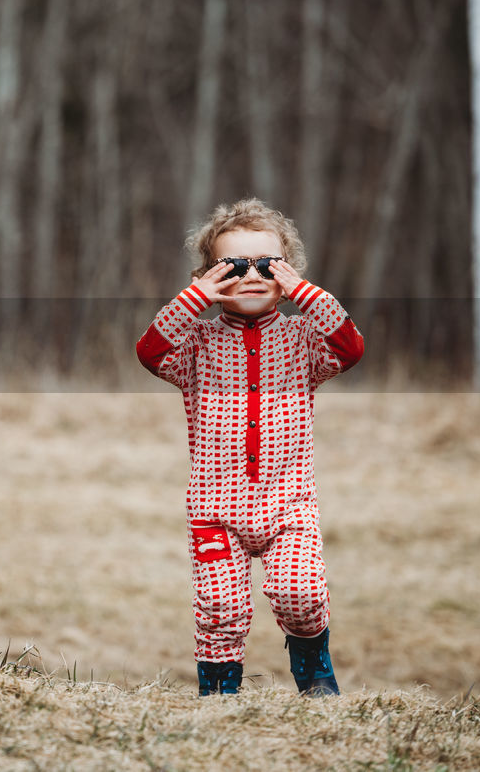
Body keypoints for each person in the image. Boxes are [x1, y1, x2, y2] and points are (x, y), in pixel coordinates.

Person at [135, 199, 364, 696]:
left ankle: (314, 669)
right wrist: (193, 299)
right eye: (234, 267)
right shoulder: (194, 342)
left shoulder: (304, 337)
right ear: (208, 277)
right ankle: (219, 695)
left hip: (289, 504)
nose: (253, 275)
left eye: (267, 264)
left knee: (298, 593)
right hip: (216, 507)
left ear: (287, 273)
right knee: (221, 609)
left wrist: (302, 292)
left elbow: (350, 347)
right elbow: (150, 351)